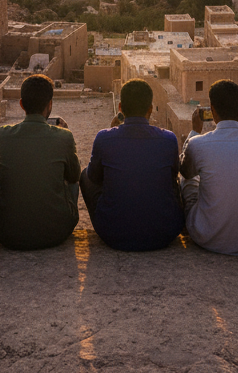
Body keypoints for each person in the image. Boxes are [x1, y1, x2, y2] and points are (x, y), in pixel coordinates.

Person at [79, 78, 184, 251]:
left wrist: (111, 134)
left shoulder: (104, 138)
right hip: (165, 232)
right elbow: (173, 177)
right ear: (150, 109)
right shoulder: (169, 139)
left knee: (85, 174)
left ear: (120, 108)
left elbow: (94, 177)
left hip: (112, 232)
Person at [179, 79, 238, 255]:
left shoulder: (198, 144)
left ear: (212, 109)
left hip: (208, 238)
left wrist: (194, 131)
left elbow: (185, 171)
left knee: (190, 178)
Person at [0, 73, 80, 250]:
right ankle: (65, 215)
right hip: (56, 232)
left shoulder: (1, 135)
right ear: (50, 104)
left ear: (21, 104)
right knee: (73, 176)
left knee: (6, 173)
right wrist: (65, 137)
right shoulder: (64, 137)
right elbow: (74, 176)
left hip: (5, 233)